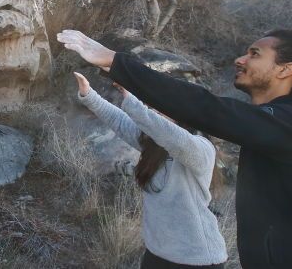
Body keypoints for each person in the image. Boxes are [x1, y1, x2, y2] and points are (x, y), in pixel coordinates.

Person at [58, 29, 292, 268]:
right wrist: (91, 94)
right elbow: (133, 125)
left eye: (255, 54)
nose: (241, 59)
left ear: (286, 70)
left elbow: (207, 108)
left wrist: (116, 62)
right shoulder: (278, 126)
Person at [73, 71, 227, 268]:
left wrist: (133, 103)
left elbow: (173, 138)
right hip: (158, 253)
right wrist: (89, 95)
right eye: (155, 105)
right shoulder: (154, 144)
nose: (155, 110)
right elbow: (120, 122)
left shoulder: (201, 148)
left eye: (162, 107)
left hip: (197, 258)